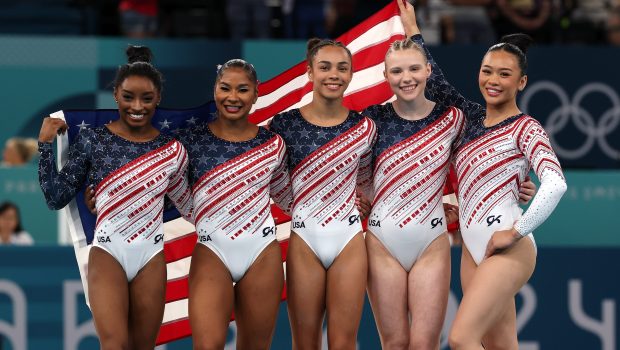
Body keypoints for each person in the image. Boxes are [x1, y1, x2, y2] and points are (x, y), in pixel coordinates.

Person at [400, 2, 567, 349]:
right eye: (487, 70)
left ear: (521, 82)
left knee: (462, 339)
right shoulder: (470, 119)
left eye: (504, 74)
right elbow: (436, 83)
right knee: (501, 345)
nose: (493, 80)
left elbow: (556, 184)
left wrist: (517, 231)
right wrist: (413, 31)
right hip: (472, 247)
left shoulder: (526, 127)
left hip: (507, 247)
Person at [38, 45, 193, 350]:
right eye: (128, 97)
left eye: (147, 98)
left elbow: (185, 205)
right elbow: (56, 197)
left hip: (150, 256)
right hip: (108, 251)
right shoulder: (92, 141)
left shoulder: (173, 150)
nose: (137, 106)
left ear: (158, 98)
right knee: (115, 345)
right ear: (116, 96)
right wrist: (44, 145)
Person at [177, 59, 293, 350]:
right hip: (212, 249)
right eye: (225, 88)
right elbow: (164, 186)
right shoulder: (189, 142)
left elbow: (288, 198)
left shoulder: (273, 144)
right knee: (208, 345)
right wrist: (100, 197)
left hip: (261, 252)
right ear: (214, 90)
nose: (232, 97)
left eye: (242, 90)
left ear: (255, 94)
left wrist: (344, 204)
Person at [268, 38, 377, 348]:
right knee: (305, 342)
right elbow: (274, 182)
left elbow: (367, 179)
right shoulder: (285, 125)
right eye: (325, 67)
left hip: (349, 240)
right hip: (305, 239)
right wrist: (303, 207)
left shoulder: (364, 127)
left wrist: (362, 202)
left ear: (352, 74)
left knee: (343, 342)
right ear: (309, 73)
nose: (334, 75)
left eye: (342, 68)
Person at [361, 35, 464, 349]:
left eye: (414, 69)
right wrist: (356, 199)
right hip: (382, 243)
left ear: (428, 70)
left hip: (430, 243)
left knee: (424, 343)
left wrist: (519, 182)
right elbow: (347, 172)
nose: (406, 78)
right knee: (394, 343)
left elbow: (482, 160)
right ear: (385, 76)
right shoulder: (370, 120)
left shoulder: (452, 119)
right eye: (396, 72)